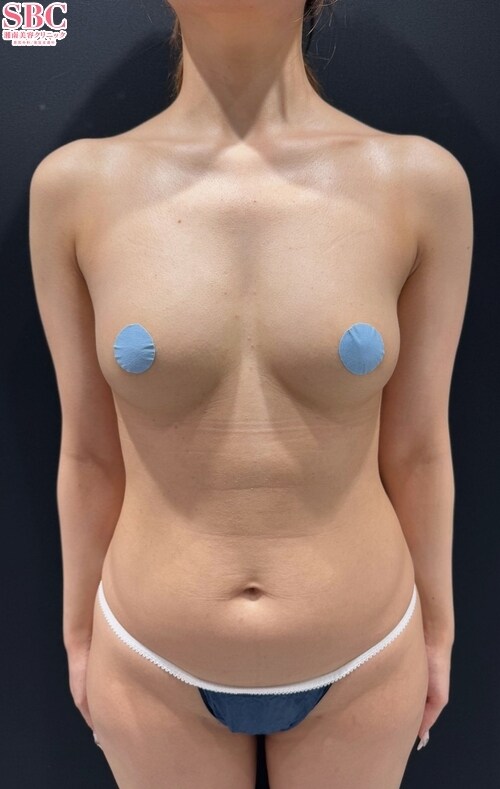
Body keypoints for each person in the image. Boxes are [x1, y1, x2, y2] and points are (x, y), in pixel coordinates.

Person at [28, 1, 473, 786]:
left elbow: (418, 447)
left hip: (366, 658)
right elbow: (88, 450)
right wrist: (78, 635)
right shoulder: (74, 189)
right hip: (149, 661)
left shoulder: (419, 183)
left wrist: (438, 628)